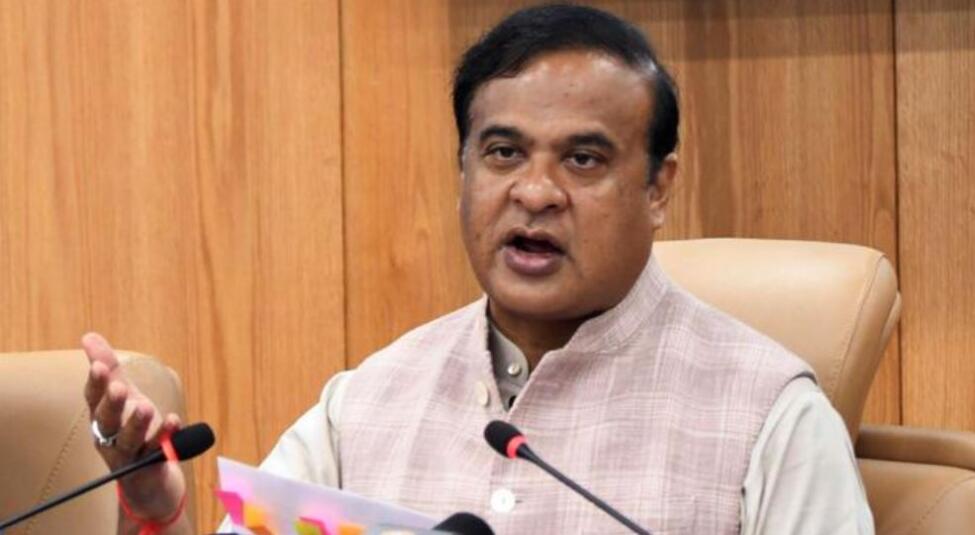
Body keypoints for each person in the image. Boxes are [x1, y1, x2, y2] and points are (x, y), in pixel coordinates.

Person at [82, 4, 873, 534]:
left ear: (657, 187)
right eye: (502, 152)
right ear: (462, 170)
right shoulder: (366, 403)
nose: (534, 191)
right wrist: (154, 508)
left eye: (583, 159)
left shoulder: (769, 417)